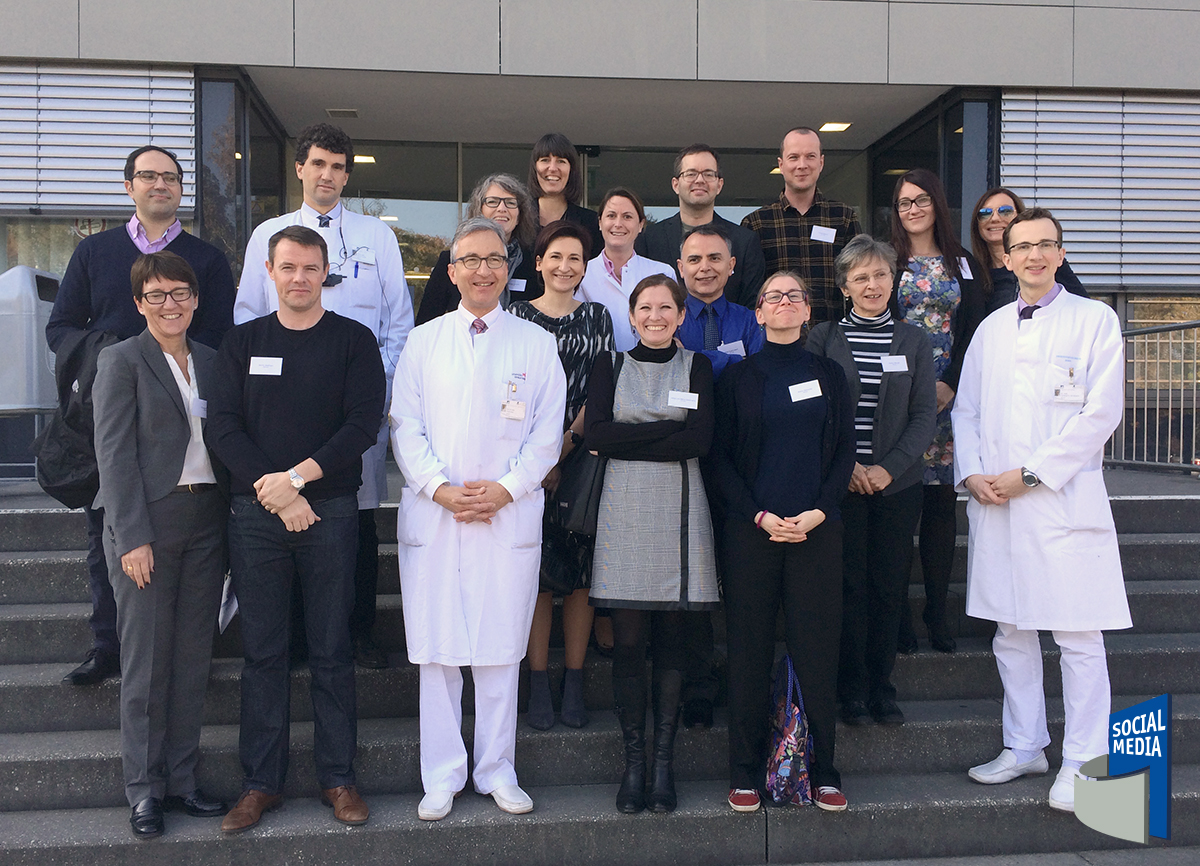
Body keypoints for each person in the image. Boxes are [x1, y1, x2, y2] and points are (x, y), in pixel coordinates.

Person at [207, 226, 385, 834]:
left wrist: (298, 482)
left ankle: (339, 778)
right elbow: (223, 427)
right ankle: (260, 784)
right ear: (268, 270)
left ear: (325, 272)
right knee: (264, 654)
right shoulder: (242, 341)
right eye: (288, 267)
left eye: (311, 268)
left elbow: (362, 425)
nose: (299, 278)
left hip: (329, 511)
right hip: (255, 517)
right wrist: (272, 488)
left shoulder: (354, 341)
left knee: (333, 650)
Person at [953, 207, 1131, 813]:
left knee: (1079, 637)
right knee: (1011, 630)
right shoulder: (992, 327)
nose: (1032, 255)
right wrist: (972, 471)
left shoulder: (1094, 321)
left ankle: (1085, 761)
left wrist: (1031, 474)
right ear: (1003, 257)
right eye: (1020, 246)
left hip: (1059, 500)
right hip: (998, 503)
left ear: (1060, 253)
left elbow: (1101, 413)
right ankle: (1025, 743)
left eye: (1044, 245)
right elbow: (966, 409)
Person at [390, 217, 566, 822]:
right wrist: (439, 489)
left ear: (509, 269)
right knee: (438, 654)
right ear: (452, 269)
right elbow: (404, 427)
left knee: (498, 651)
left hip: (505, 515)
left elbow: (548, 434)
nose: (484, 270)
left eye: (495, 259)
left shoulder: (536, 344)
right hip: (435, 516)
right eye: (471, 260)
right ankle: (441, 775)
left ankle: (497, 769)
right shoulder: (424, 340)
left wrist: (506, 490)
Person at [47, 143, 235, 687]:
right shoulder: (94, 252)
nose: (161, 185)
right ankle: (108, 642)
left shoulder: (207, 260)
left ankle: (186, 642)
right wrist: (115, 358)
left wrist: (171, 359)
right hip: (109, 408)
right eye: (149, 177)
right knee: (108, 524)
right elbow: (60, 328)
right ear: (128, 186)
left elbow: (221, 336)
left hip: (181, 416)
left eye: (171, 178)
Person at [234, 122, 413, 671]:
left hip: (352, 415)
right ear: (300, 168)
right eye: (318, 164)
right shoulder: (271, 231)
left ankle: (354, 633)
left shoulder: (375, 234)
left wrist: (371, 394)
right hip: (278, 414)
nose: (327, 175)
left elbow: (398, 322)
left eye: (338, 167)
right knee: (282, 516)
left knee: (351, 523)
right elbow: (247, 315)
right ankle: (289, 640)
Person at [92, 252, 230, 839]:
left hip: (207, 520)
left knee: (192, 657)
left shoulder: (217, 363)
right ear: (139, 304)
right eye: (157, 295)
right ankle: (144, 792)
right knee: (147, 663)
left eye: (180, 293)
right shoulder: (120, 361)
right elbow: (115, 455)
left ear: (196, 300)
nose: (170, 304)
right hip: (148, 523)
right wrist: (133, 537)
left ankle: (182, 780)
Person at [710, 271, 855, 815]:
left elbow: (845, 451)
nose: (785, 303)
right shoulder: (737, 378)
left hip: (818, 531)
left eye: (794, 295)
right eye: (774, 296)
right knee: (748, 651)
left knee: (817, 652)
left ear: (807, 310)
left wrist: (819, 511)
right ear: (759, 313)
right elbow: (719, 459)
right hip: (754, 533)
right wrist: (759, 515)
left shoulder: (830, 375)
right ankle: (745, 771)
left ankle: (824, 772)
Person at [585, 274, 719, 815]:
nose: (657, 316)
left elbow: (701, 440)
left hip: (680, 513)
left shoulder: (699, 367)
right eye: (646, 308)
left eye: (667, 307)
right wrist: (667, 427)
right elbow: (595, 436)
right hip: (624, 516)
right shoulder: (609, 365)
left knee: (671, 644)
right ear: (632, 315)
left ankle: (663, 765)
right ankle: (633, 763)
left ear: (681, 315)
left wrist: (629, 432)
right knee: (629, 644)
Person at [806, 236, 937, 727]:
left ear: (893, 280)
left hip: (896, 487)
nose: (872, 284)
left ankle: (882, 688)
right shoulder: (822, 338)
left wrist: (888, 468)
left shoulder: (913, 340)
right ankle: (851, 691)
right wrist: (851, 467)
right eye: (860, 277)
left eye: (880, 274)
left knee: (888, 589)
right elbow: (815, 410)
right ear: (844, 287)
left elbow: (924, 414)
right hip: (841, 487)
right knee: (848, 589)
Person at [509, 220, 613, 731]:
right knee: (534, 577)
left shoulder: (597, 318)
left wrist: (560, 452)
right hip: (523, 466)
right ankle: (537, 680)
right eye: (556, 256)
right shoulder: (514, 316)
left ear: (585, 267)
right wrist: (536, 459)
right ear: (539, 262)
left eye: (575, 258)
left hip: (579, 462)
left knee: (577, 579)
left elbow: (599, 395)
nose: (565, 266)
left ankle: (573, 680)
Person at [889, 168, 986, 656]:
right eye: (904, 203)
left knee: (940, 511)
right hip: (900, 404)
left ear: (937, 204)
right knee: (901, 511)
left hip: (950, 399)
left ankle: (936, 609)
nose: (913, 210)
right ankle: (901, 613)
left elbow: (975, 328)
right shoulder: (889, 261)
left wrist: (952, 381)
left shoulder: (963, 262)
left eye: (921, 200)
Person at [673, 223, 765, 729]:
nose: (705, 267)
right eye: (694, 259)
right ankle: (699, 683)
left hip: (744, 467)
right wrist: (722, 362)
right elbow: (666, 377)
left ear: (733, 266)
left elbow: (757, 375)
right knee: (691, 580)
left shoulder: (753, 319)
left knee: (740, 578)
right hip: (682, 467)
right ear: (679, 268)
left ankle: (746, 680)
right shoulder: (669, 316)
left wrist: (697, 363)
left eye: (715, 258)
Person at [741, 127, 863, 324]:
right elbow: (750, 293)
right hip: (777, 337)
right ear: (781, 164)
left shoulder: (843, 218)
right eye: (794, 157)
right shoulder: (756, 224)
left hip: (833, 336)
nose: (802, 165)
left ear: (821, 162)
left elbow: (858, 280)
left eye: (810, 156)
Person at [636, 144, 766, 307]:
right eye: (691, 174)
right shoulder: (649, 239)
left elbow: (752, 304)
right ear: (676, 184)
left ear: (719, 185)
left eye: (708, 174)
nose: (699, 180)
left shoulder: (744, 241)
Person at [416, 173, 540, 324]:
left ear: (520, 215)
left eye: (510, 203)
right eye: (492, 202)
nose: (502, 208)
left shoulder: (534, 263)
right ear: (479, 210)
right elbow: (427, 320)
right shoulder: (450, 260)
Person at [579, 187, 675, 351]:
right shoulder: (581, 273)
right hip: (599, 370)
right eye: (611, 216)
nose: (618, 224)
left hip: (652, 368)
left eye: (627, 217)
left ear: (640, 225)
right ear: (600, 223)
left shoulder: (663, 273)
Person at [968, 186, 1088, 315]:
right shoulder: (973, 271)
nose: (995, 218)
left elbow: (1081, 307)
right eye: (985, 213)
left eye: (1005, 211)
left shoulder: (1044, 262)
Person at [528, 132, 602, 256]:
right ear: (535, 168)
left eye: (561, 161)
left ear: (571, 170)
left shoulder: (591, 223)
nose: (552, 168)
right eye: (545, 160)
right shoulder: (518, 219)